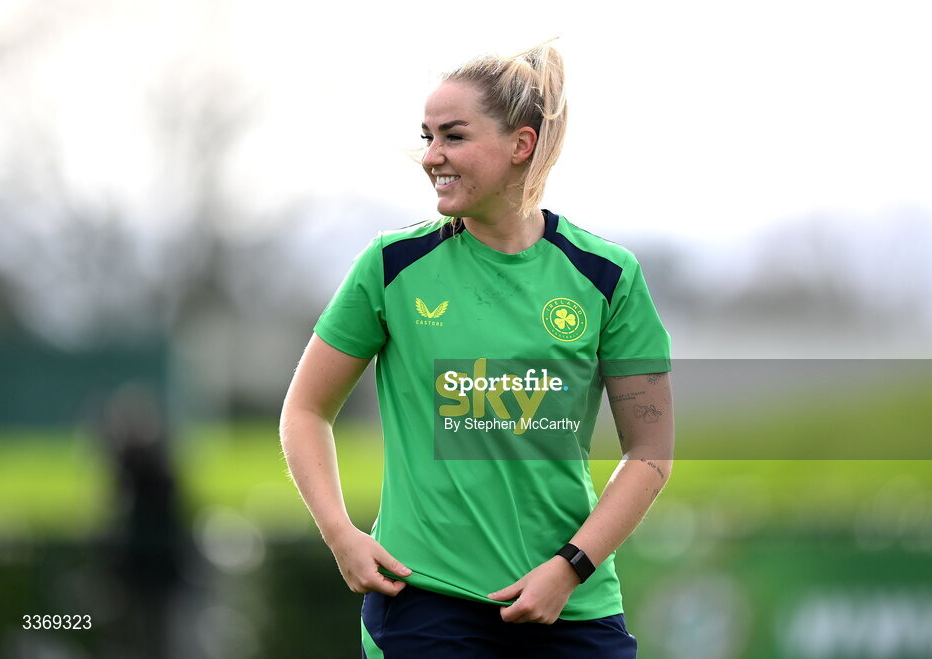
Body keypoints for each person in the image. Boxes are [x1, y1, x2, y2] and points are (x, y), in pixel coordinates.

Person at [280, 43, 674, 658]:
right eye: (428, 137)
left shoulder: (608, 277)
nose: (431, 156)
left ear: (521, 145)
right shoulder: (391, 266)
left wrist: (569, 568)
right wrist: (340, 534)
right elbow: (306, 410)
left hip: (570, 603)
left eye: (454, 136)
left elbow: (649, 452)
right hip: (424, 602)